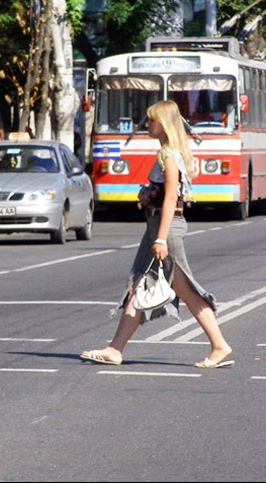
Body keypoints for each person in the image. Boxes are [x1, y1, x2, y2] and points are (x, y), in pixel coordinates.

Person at [80, 100, 233, 369]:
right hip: (158, 226)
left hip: (166, 228)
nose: (147, 125)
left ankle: (219, 345)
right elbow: (164, 192)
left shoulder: (169, 155)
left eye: (151, 121)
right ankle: (115, 349)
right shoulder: (168, 152)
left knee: (184, 290)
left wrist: (161, 238)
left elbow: (172, 196)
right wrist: (147, 196)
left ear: (164, 124)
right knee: (141, 286)